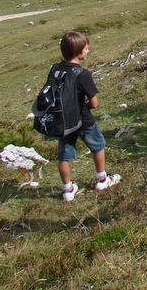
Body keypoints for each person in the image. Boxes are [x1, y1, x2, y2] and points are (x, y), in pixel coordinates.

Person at [52, 31, 120, 202]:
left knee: (64, 154)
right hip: (82, 118)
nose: (88, 51)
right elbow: (94, 102)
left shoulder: (55, 70)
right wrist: (86, 108)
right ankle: (102, 180)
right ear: (79, 51)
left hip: (63, 120)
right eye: (87, 48)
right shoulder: (82, 74)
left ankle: (67, 190)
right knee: (98, 145)